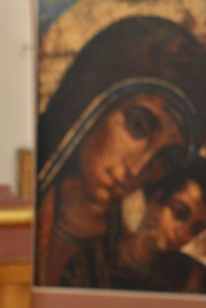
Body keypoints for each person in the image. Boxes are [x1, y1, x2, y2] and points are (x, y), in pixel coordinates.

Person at [36, 16, 206, 286]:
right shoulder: (23, 202)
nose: (137, 170)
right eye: (138, 127)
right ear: (91, 103)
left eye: (164, 160)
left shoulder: (124, 258)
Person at [61, 159, 206, 292]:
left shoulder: (189, 277)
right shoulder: (94, 256)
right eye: (180, 213)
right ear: (156, 199)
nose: (184, 231)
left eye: (196, 229)